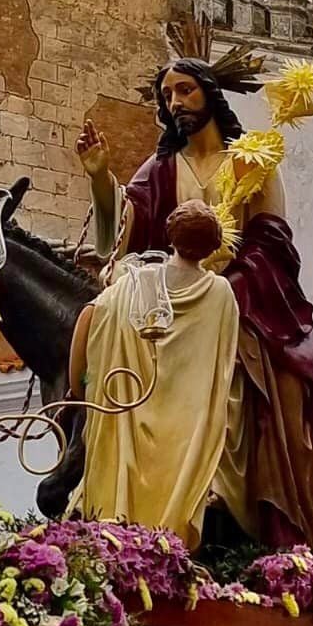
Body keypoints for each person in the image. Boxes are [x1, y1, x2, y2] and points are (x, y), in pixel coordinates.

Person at [76, 58, 313, 551]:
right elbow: (124, 232)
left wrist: (227, 278)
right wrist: (101, 179)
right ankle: (98, 465)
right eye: (168, 95)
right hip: (167, 295)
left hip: (237, 294)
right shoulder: (160, 168)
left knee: (229, 345)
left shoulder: (253, 162)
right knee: (105, 316)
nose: (176, 103)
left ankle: (219, 484)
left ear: (209, 93)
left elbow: (273, 242)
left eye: (185, 90)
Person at [68, 200, 242, 548]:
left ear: (171, 237)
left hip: (127, 413)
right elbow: (224, 366)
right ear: (213, 246)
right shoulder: (222, 293)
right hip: (188, 432)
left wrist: (81, 385)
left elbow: (90, 318)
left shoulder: (135, 283)